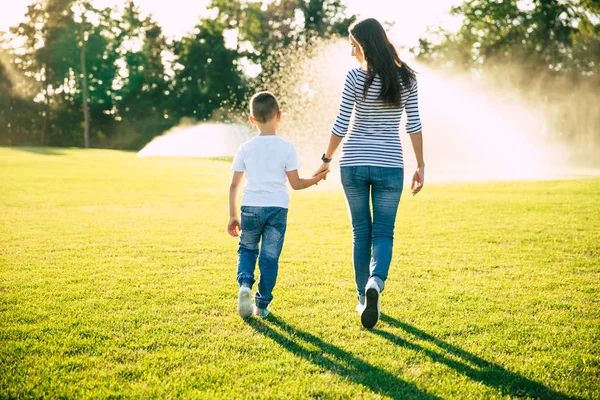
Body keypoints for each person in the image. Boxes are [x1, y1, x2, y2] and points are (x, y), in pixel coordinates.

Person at [313, 18, 425, 329]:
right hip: (390, 164)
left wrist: (326, 158)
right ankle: (376, 281)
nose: (351, 52)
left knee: (361, 232)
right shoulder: (407, 79)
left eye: (354, 45)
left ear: (365, 45)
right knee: (383, 232)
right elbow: (413, 125)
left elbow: (340, 124)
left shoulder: (354, 78)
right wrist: (421, 164)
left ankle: (363, 298)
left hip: (354, 162)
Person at [228, 91, 329, 319]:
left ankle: (245, 284)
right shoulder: (286, 148)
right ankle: (261, 305)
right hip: (277, 210)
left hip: (250, 208)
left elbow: (234, 185)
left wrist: (233, 215)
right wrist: (317, 178)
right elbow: (296, 183)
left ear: (251, 120)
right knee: (269, 258)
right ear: (279, 116)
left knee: (247, 249)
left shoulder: (245, 147)